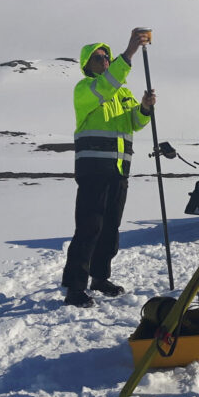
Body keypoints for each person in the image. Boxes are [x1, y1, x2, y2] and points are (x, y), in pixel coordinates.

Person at [62, 28, 155, 308]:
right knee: (89, 227)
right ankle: (75, 286)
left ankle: (100, 278)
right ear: (86, 65)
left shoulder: (121, 93)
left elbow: (134, 124)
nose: (104, 60)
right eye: (98, 57)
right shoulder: (86, 89)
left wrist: (144, 108)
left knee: (110, 227)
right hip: (93, 170)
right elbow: (107, 84)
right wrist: (129, 53)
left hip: (118, 170)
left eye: (106, 56)